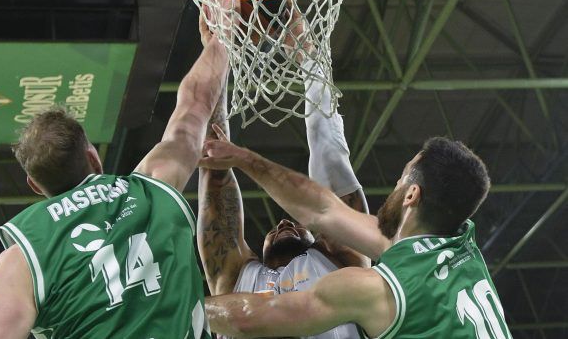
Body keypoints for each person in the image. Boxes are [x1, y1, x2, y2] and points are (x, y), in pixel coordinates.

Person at [0, 14, 229, 338]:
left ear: (35, 185)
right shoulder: (153, 186)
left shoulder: (20, 261)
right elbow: (195, 104)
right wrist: (224, 36)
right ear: (93, 157)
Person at [200, 135, 512, 338]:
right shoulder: (459, 242)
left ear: (411, 195)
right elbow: (323, 208)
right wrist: (242, 158)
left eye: (401, 179)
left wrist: (177, 305)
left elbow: (253, 318)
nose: (394, 187)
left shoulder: (378, 289)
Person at [198, 44, 368, 339]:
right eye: (285, 225)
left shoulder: (340, 263)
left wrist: (313, 68)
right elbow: (214, 168)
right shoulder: (235, 277)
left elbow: (332, 171)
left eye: (298, 226)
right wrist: (218, 47)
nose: (286, 223)